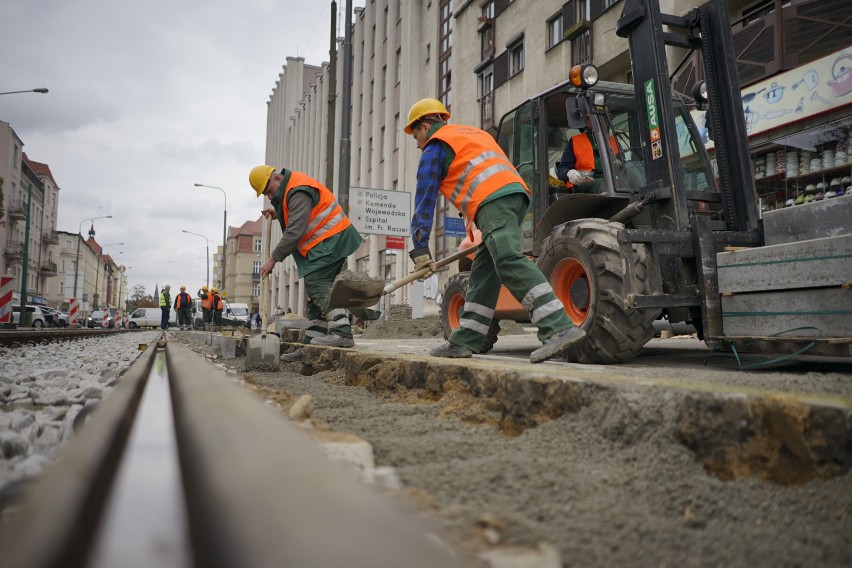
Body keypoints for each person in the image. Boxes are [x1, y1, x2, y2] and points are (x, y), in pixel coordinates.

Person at [404, 98, 585, 363]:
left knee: (508, 259)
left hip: (491, 200)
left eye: (415, 135)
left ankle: (559, 328)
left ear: (424, 125)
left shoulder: (435, 146)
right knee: (484, 273)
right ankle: (465, 340)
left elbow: (425, 199)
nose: (418, 143)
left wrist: (419, 246)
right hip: (514, 196)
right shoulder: (469, 134)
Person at [249, 164, 364, 362]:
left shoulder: (297, 190)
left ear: (276, 178)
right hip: (329, 242)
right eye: (265, 194)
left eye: (268, 191)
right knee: (315, 295)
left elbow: (295, 230)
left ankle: (343, 332)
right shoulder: (290, 191)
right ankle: (311, 343)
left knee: (317, 285)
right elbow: (295, 211)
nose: (269, 196)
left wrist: (273, 258)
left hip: (331, 241)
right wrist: (278, 213)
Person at [554, 112, 615, 194]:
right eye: (599, 119)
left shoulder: (613, 141)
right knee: (604, 183)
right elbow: (562, 170)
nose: (603, 122)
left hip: (613, 183)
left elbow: (624, 167)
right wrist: (570, 173)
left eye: (605, 119)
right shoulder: (575, 142)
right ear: (588, 122)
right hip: (583, 186)